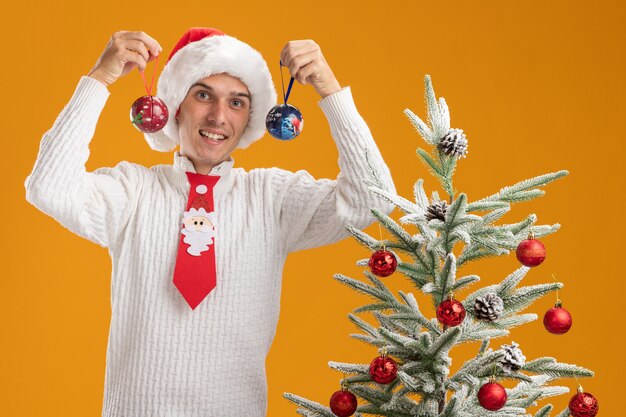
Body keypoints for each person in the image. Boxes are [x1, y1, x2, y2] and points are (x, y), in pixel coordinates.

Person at [25, 27, 395, 417]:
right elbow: (50, 187)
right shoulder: (132, 191)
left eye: (237, 102)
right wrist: (100, 78)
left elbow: (373, 200)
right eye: (204, 95)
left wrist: (330, 90)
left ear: (250, 118)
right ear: (176, 106)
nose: (219, 116)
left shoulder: (273, 198)